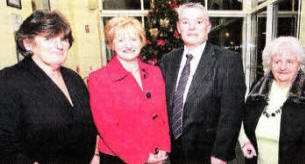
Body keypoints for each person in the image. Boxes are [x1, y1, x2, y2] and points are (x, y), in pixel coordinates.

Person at [0, 10, 97, 163]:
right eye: (48, 38)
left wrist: (95, 157)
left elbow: (92, 125)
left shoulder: (73, 78)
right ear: (27, 43)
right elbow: (5, 147)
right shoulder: (9, 80)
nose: (59, 45)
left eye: (64, 39)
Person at [160, 2, 246, 164]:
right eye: (185, 22)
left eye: (198, 22)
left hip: (209, 155)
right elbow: (162, 106)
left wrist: (221, 154)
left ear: (208, 26)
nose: (191, 27)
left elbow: (232, 112)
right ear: (178, 27)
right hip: (174, 154)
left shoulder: (227, 61)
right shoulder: (168, 60)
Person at [87, 15, 171, 164]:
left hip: (157, 156)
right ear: (111, 45)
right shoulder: (98, 79)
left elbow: (162, 114)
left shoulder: (155, 72)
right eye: (120, 40)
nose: (128, 45)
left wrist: (163, 147)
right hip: (120, 158)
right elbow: (108, 128)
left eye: (133, 39)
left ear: (141, 41)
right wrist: (142, 157)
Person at [239, 36, 305, 164]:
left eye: (290, 62)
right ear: (269, 64)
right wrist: (244, 140)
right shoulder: (257, 89)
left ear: (299, 64)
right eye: (277, 61)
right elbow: (241, 117)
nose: (283, 67)